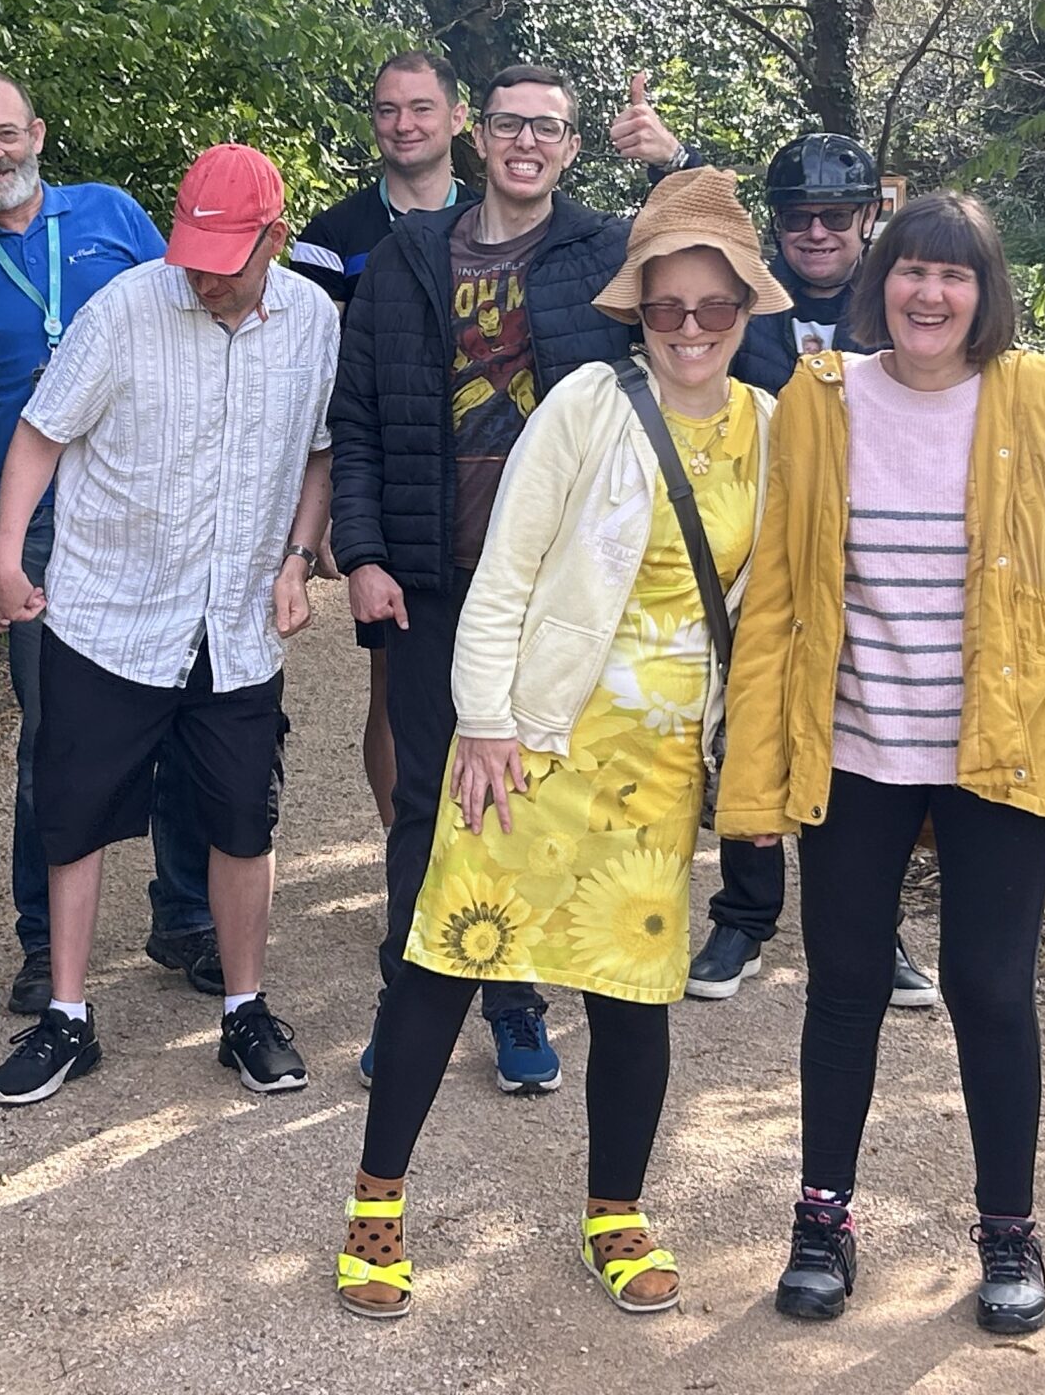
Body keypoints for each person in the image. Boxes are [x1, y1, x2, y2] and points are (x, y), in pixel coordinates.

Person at [717, 191, 1045, 1336]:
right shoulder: (820, 401)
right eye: (911, 272)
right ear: (880, 283)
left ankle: (1007, 1232)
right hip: (857, 755)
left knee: (988, 990)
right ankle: (822, 1220)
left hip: (1002, 754)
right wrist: (751, 788)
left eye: (955, 275)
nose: (929, 294)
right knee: (842, 991)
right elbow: (776, 602)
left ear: (986, 293)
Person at [334, 168, 786, 1320]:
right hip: (532, 744)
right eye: (668, 306)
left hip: (659, 763)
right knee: (448, 960)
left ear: (745, 312)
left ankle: (616, 1215)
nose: (689, 328)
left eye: (713, 307)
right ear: (638, 310)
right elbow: (504, 577)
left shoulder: (772, 432)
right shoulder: (586, 404)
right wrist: (483, 720)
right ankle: (376, 1205)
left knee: (633, 993)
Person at [328, 63, 695, 1098]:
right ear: (475, 136)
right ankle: (408, 998)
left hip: (564, 591)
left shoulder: (609, 252)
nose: (527, 141)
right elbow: (354, 419)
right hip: (433, 575)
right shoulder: (402, 263)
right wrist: (360, 554)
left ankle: (515, 1002)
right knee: (422, 799)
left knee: (530, 797)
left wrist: (679, 167)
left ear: (572, 146)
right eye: (509, 124)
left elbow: (727, 318)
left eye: (550, 127)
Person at [0, 144, 340, 1106]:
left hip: (237, 623)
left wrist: (300, 558)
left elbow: (319, 454)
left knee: (241, 817)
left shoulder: (313, 321)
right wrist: (8, 553)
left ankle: (245, 1011)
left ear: (277, 237)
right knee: (76, 815)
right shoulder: (129, 307)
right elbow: (42, 431)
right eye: (194, 256)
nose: (206, 278)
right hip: (110, 611)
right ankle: (66, 1017)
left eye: (228, 260)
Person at [0, 73, 219, 1019]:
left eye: (8, 134)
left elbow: (194, 315)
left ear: (38, 134)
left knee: (179, 708)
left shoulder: (114, 216)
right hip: (39, 526)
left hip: (149, 505)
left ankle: (188, 915)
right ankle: (45, 943)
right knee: (53, 731)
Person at [692, 132, 936, 1011]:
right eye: (800, 216)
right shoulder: (740, 311)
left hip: (871, 563)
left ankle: (878, 929)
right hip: (757, 552)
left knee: (874, 743)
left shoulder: (905, 312)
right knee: (748, 724)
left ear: (870, 216)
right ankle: (745, 916)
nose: (819, 232)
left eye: (837, 214)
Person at [293, 52, 476, 834]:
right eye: (388, 110)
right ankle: (408, 853)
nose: (404, 125)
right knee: (395, 680)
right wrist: (334, 512)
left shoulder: (499, 215)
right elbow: (313, 380)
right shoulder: (332, 236)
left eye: (422, 108)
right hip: (390, 480)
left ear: (458, 118)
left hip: (488, 478)